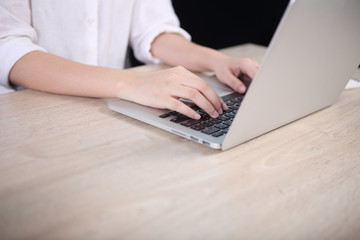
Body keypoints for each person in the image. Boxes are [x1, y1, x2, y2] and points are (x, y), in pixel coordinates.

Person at [0, 0, 259, 120]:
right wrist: (133, 83)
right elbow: (7, 45)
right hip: (31, 115)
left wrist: (218, 61)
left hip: (108, 110)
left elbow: (154, 31)